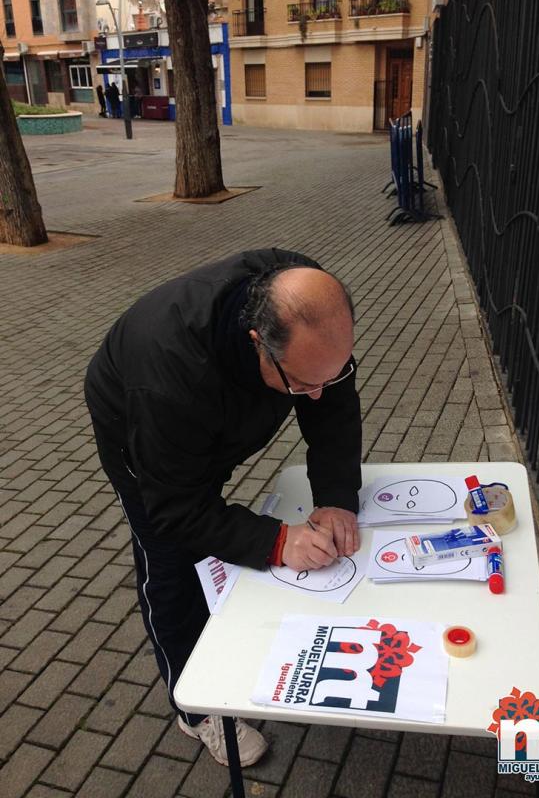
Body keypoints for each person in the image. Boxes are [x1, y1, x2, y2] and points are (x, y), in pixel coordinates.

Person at [84, 249, 362, 767]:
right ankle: (193, 706)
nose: (315, 393)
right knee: (169, 561)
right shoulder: (170, 376)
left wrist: (336, 497)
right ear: (257, 341)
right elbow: (175, 508)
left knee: (216, 533)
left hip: (203, 414)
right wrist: (277, 541)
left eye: (329, 371)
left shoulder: (306, 300)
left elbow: (335, 405)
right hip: (138, 430)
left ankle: (225, 640)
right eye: (301, 383)